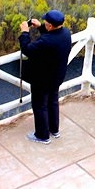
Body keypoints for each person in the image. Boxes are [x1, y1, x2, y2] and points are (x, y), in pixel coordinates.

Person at [19, 9, 72, 144]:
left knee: (40, 105)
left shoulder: (46, 41)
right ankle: (54, 129)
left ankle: (42, 135)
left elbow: (27, 49)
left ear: (50, 26)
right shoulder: (66, 33)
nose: (44, 23)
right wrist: (40, 27)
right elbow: (52, 37)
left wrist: (25, 32)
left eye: (45, 23)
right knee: (53, 101)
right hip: (57, 76)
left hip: (42, 79)